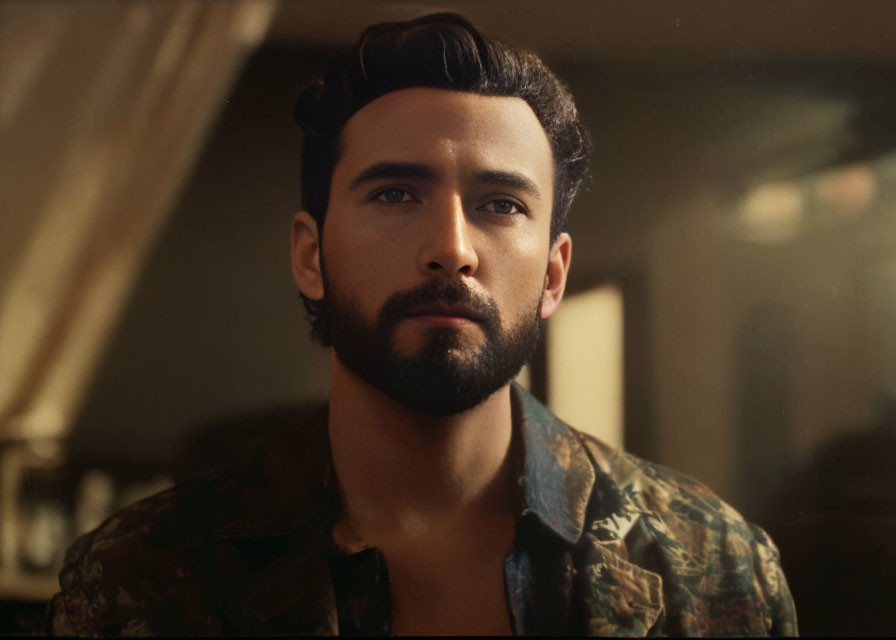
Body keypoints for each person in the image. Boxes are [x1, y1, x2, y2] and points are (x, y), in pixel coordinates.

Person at [45, 13, 798, 636]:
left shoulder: (715, 569)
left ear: (554, 275)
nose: (451, 249)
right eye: (396, 194)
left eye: (501, 204)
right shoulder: (143, 580)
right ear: (311, 257)